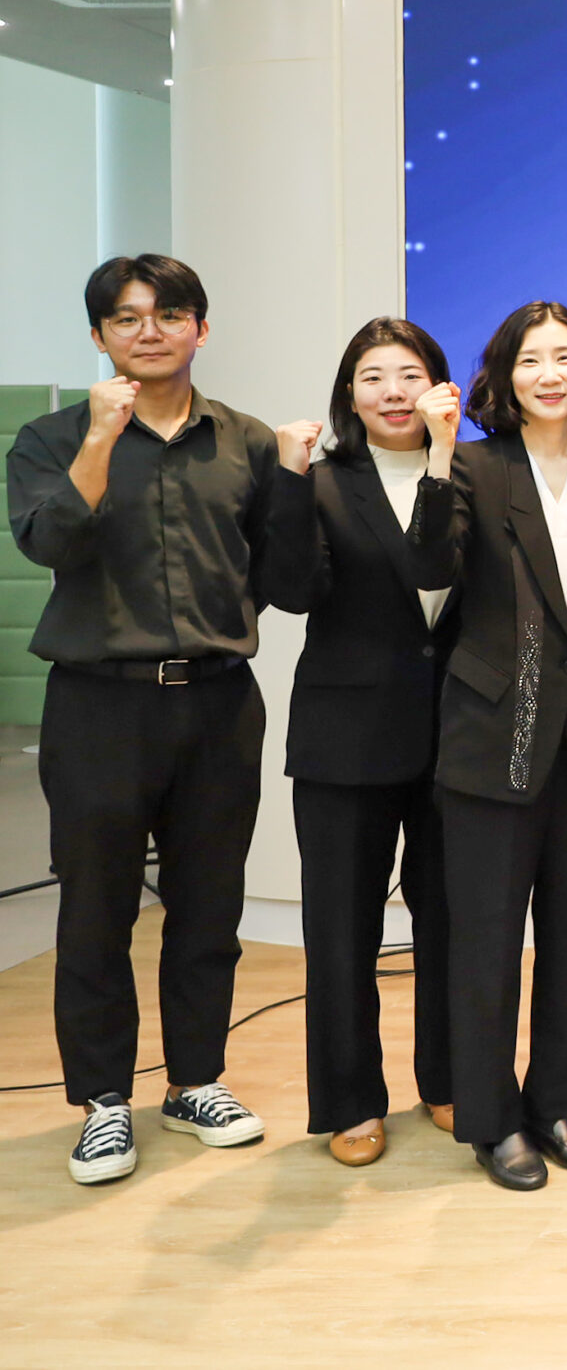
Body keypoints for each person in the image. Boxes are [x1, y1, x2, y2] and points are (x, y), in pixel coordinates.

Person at [6, 255, 320, 1186]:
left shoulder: (247, 441)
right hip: (98, 703)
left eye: (169, 313)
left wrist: (296, 479)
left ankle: (195, 1080)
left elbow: (286, 583)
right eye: (127, 317)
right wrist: (100, 440)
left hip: (219, 700)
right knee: (95, 908)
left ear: (200, 329)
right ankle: (104, 1100)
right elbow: (47, 542)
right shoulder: (49, 437)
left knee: (209, 905)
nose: (149, 331)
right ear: (99, 335)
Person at [424, 301, 567, 1191]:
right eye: (531, 360)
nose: (550, 374)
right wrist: (437, 453)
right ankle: (491, 1120)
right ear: (504, 375)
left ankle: (556, 1102)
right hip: (490, 736)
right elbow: (428, 570)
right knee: (485, 941)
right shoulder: (473, 466)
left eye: (565, 357)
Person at [266, 319, 465, 1166]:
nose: (392, 391)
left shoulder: (472, 473)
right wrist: (286, 478)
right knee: (342, 927)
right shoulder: (320, 481)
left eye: (409, 373)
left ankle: (450, 1078)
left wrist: (445, 458)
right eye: (373, 375)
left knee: (454, 918)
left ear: (440, 385)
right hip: (345, 737)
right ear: (349, 392)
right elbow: (289, 590)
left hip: (458, 732)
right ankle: (350, 1100)